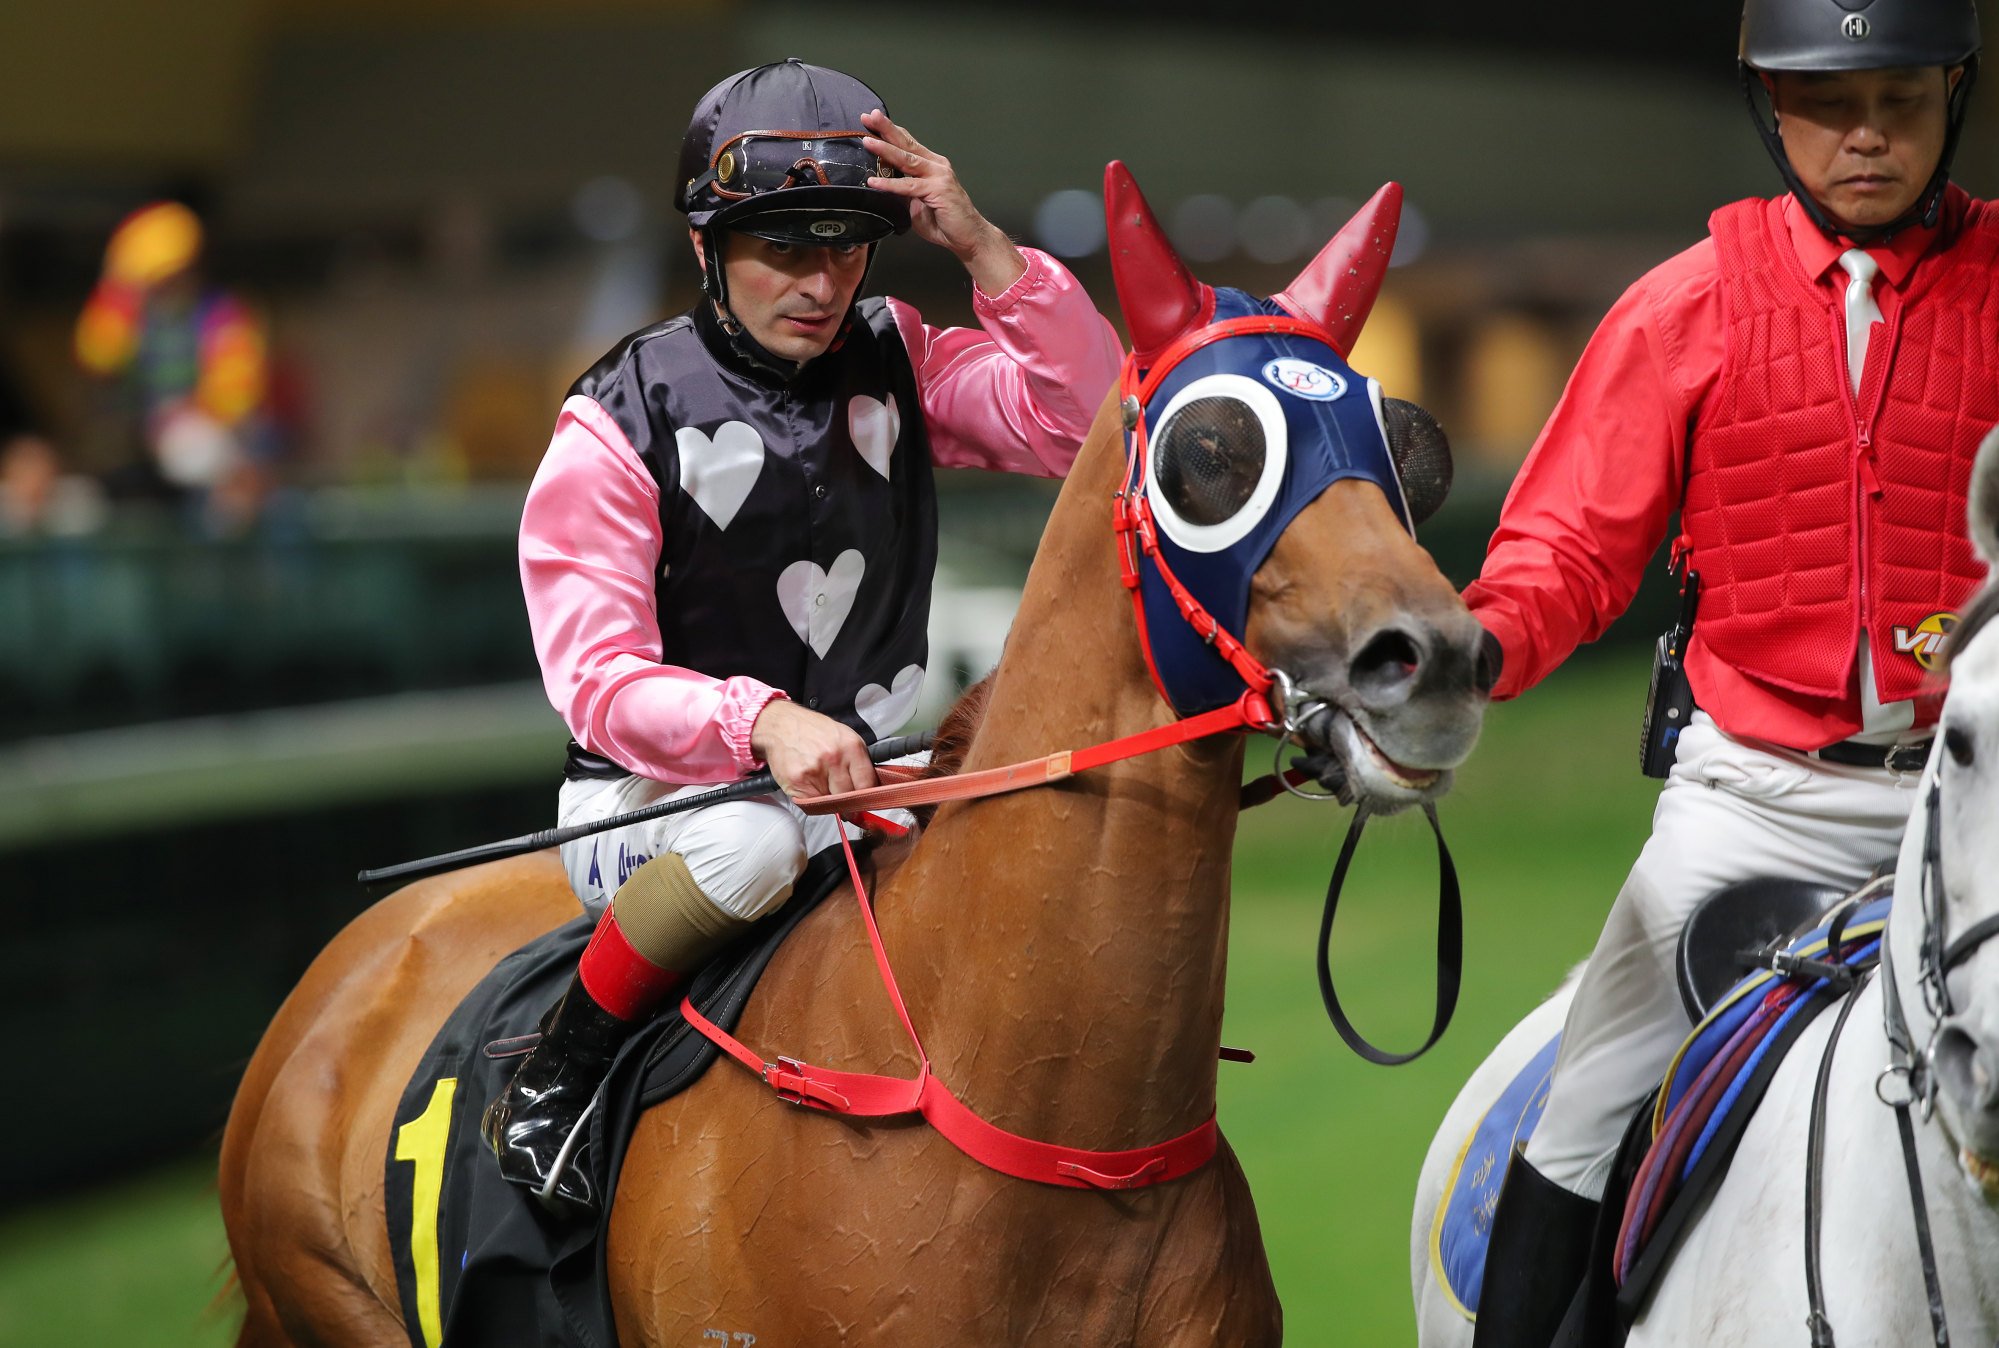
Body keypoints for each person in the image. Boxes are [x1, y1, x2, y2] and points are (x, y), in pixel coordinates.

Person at [482, 59, 1121, 1216]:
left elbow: (1089, 428)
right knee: (755, 846)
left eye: (845, 247)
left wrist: (986, 252)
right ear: (705, 247)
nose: (821, 283)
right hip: (661, 804)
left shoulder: (903, 356)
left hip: (876, 780)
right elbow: (596, 683)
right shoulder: (613, 423)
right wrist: (761, 722)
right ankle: (556, 1072)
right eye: (784, 246)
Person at [1462, 2, 1995, 1343]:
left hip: (1978, 803)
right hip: (1748, 800)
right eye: (1827, 101)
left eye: (1899, 98)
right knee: (1582, 1113)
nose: (1865, 134)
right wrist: (1476, 645)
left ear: (1953, 96)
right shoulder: (1683, 303)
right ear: (1768, 104)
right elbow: (1565, 546)